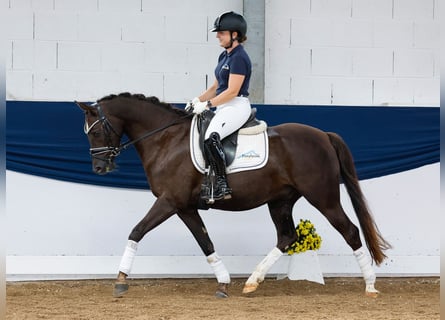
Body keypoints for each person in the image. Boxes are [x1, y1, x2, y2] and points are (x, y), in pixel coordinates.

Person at [186, 11, 252, 202]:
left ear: (235, 34)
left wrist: (207, 104)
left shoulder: (239, 57)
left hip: (236, 106)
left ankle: (222, 184)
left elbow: (232, 91)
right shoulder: (224, 56)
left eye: (221, 33)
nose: (217, 36)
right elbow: (215, 87)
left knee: (210, 137)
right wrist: (197, 100)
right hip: (223, 105)